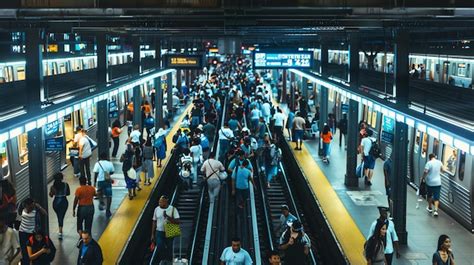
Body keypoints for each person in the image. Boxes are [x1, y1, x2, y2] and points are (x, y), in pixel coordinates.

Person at [151, 195, 180, 264]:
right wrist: (152, 234)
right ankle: (163, 259)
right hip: (159, 231)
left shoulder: (173, 209)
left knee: (169, 247)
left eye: (161, 202)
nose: (159, 203)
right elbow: (154, 221)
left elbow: (177, 221)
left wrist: (167, 217)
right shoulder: (156, 209)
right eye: (159, 202)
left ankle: (169, 260)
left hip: (170, 230)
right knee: (160, 245)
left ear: (166, 201)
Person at [18, 198, 47, 265]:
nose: (29, 208)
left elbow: (45, 213)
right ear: (25, 205)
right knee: (23, 249)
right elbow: (19, 214)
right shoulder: (22, 207)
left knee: (31, 250)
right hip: (22, 232)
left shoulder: (36, 210)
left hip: (31, 233)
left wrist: (38, 206)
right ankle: (26, 262)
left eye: (31, 206)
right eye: (28, 206)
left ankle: (32, 261)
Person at [49, 173, 70, 239]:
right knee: (61, 216)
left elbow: (51, 195)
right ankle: (60, 231)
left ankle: (60, 231)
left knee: (59, 216)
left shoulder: (53, 187)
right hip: (64, 201)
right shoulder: (66, 185)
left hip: (56, 202)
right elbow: (68, 194)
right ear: (61, 178)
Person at [93, 152, 115, 218]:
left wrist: (94, 182)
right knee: (109, 196)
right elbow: (112, 171)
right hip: (107, 181)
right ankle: (108, 210)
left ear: (100, 157)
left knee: (99, 192)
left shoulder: (98, 163)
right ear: (106, 157)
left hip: (100, 181)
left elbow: (96, 173)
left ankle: (101, 201)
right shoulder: (109, 163)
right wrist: (107, 174)